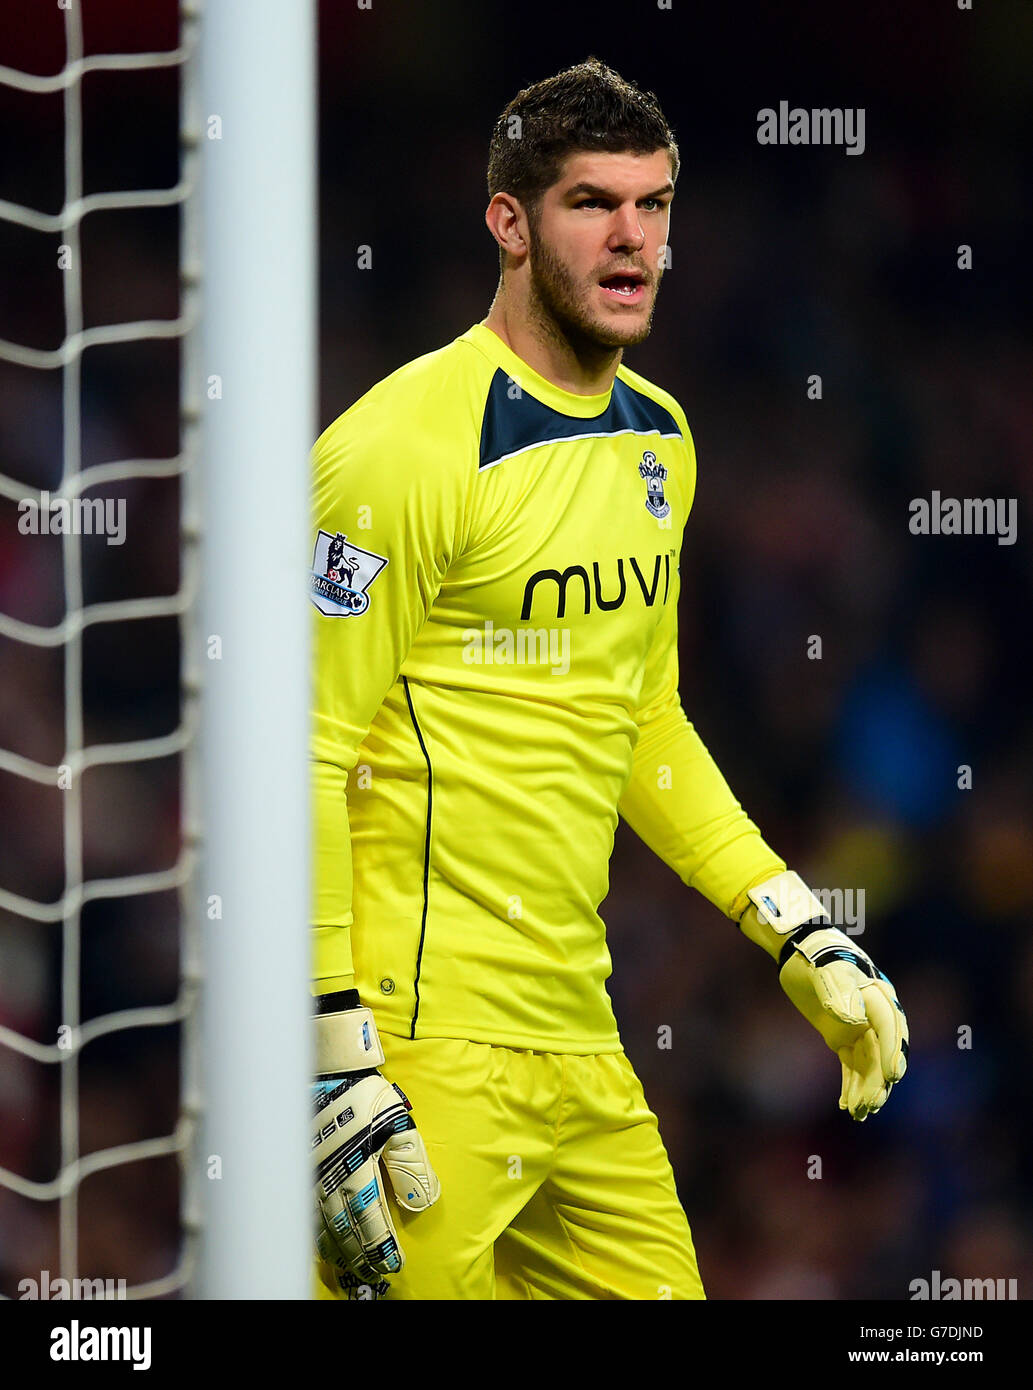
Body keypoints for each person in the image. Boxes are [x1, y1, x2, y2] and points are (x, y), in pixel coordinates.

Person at [309, 58, 909, 1302]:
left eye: (653, 205)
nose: (633, 238)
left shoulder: (660, 439)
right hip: (414, 1048)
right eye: (592, 203)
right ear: (510, 223)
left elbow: (642, 718)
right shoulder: (400, 448)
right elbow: (298, 749)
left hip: (578, 1036)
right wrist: (326, 1043)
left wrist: (791, 921)